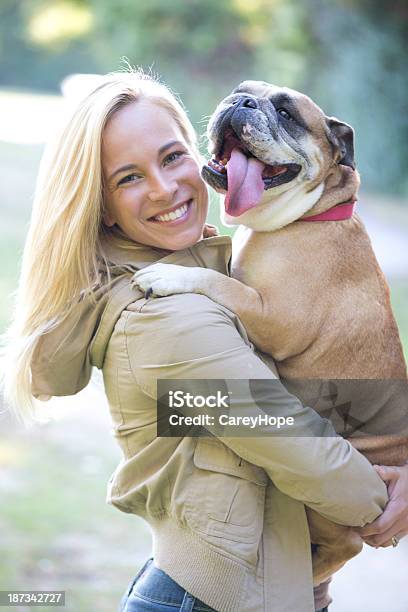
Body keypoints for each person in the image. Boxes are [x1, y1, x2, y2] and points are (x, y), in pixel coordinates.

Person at [1, 70, 407, 612]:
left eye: (172, 158)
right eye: (127, 178)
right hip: (211, 598)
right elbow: (293, 445)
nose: (166, 188)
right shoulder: (166, 320)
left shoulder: (205, 270)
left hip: (251, 585)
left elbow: (279, 401)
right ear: (97, 204)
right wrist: (389, 497)